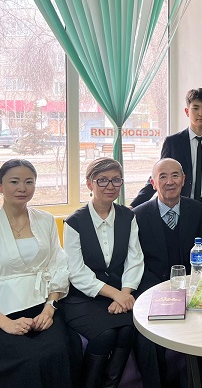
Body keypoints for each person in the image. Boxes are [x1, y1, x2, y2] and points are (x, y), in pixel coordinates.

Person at [0, 159, 81, 387]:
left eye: (29, 182)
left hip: (41, 307)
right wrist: (6, 324)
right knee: (28, 357)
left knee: (58, 350)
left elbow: (58, 266)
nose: (22, 188)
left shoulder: (46, 221)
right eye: (14, 182)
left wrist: (49, 309)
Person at [62, 157, 146, 388]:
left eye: (116, 180)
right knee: (105, 334)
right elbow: (76, 271)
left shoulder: (128, 216)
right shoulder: (74, 222)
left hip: (120, 292)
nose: (110, 186)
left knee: (127, 330)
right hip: (82, 297)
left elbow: (135, 258)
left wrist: (125, 294)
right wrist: (116, 295)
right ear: (89, 183)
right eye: (102, 180)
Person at [133, 158, 202, 388]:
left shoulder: (197, 210)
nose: (170, 182)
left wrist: (193, 290)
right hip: (152, 290)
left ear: (184, 180)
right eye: (163, 176)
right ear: (153, 182)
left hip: (192, 289)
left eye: (175, 175)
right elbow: (137, 263)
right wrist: (164, 291)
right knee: (147, 340)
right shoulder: (138, 215)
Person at [131, 88, 202, 262]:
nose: (201, 113)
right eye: (195, 108)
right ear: (187, 111)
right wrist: (134, 205)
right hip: (181, 208)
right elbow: (159, 175)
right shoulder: (173, 142)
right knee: (181, 255)